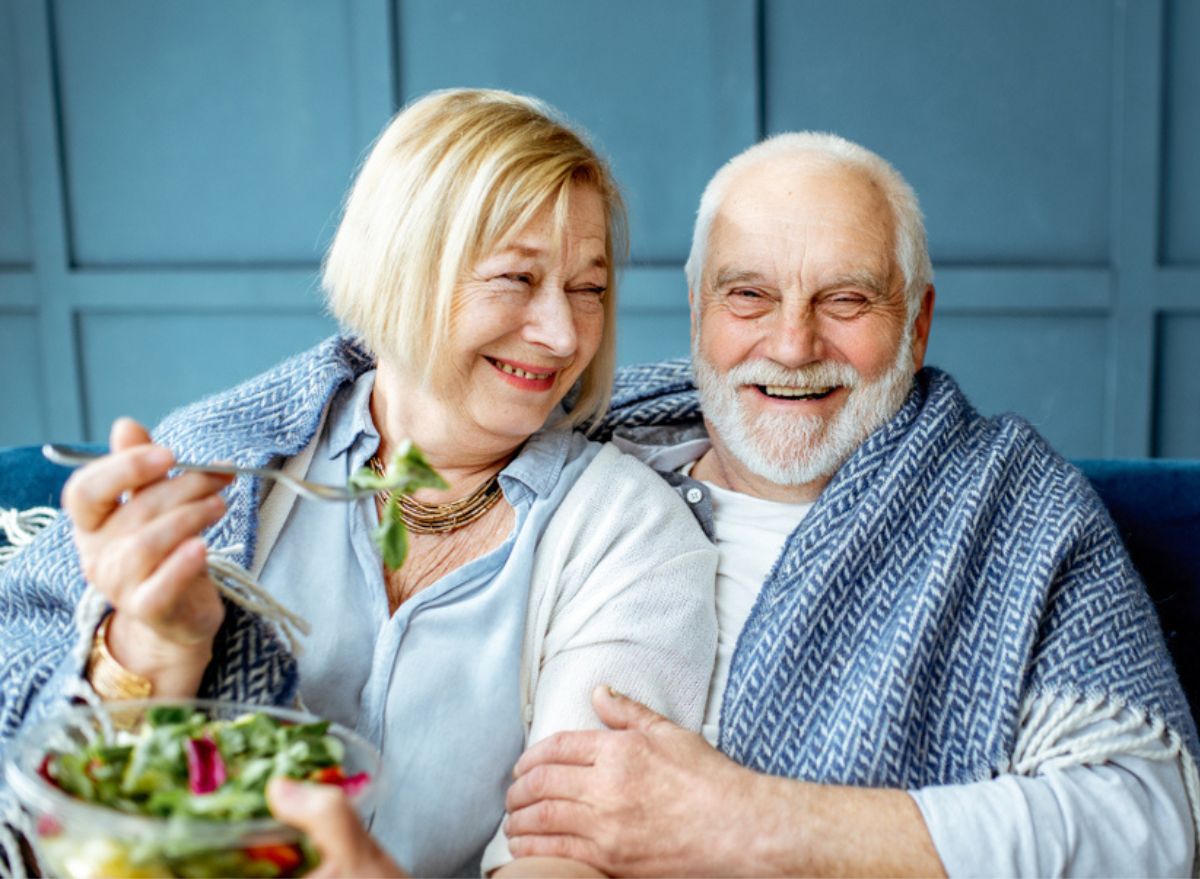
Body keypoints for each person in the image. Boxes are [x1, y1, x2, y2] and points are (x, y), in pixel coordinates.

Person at [0, 89, 718, 877]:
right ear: (400, 269)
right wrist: (159, 640)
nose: (562, 334)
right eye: (517, 278)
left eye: (589, 289)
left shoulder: (628, 532)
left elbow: (578, 855)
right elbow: (81, 804)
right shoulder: (231, 468)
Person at [499, 133, 1200, 876]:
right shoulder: (571, 453)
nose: (794, 344)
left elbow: (1146, 825)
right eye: (749, 295)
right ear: (698, 306)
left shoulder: (1014, 510)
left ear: (917, 322)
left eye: (846, 299)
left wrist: (755, 824)